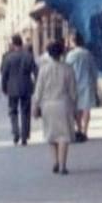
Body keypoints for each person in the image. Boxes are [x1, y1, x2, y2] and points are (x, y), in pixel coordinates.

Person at [32, 39, 77, 174]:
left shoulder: (43, 69)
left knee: (51, 135)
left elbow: (38, 89)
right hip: (63, 104)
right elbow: (73, 90)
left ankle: (55, 162)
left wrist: (35, 105)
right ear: (62, 52)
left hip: (47, 105)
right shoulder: (68, 68)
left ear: (49, 53)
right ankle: (63, 165)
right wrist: (75, 105)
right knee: (63, 135)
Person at [1, 34, 38, 146]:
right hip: (26, 87)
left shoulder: (8, 57)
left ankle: (16, 132)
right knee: (25, 111)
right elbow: (36, 72)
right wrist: (36, 85)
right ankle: (24, 136)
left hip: (12, 88)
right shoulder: (29, 56)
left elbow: (4, 75)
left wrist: (4, 88)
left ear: (13, 44)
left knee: (13, 111)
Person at [65, 32, 97, 142]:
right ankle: (85, 131)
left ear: (73, 41)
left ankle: (78, 129)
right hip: (87, 83)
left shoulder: (71, 55)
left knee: (77, 108)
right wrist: (94, 83)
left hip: (74, 84)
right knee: (86, 108)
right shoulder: (88, 54)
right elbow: (94, 70)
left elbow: (66, 69)